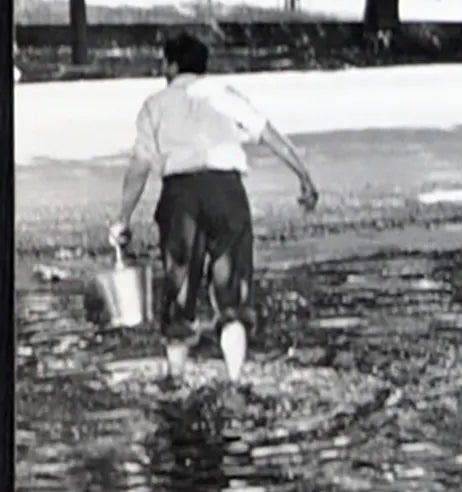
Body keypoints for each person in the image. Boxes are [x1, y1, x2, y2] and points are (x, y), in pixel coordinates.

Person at [110, 33, 319, 383]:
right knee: (233, 292)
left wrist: (123, 219)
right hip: (227, 193)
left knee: (179, 288)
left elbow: (139, 167)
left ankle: (176, 381)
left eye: (165, 63)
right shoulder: (225, 95)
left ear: (172, 65)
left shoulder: (156, 104)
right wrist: (304, 177)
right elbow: (269, 134)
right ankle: (235, 381)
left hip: (180, 198)